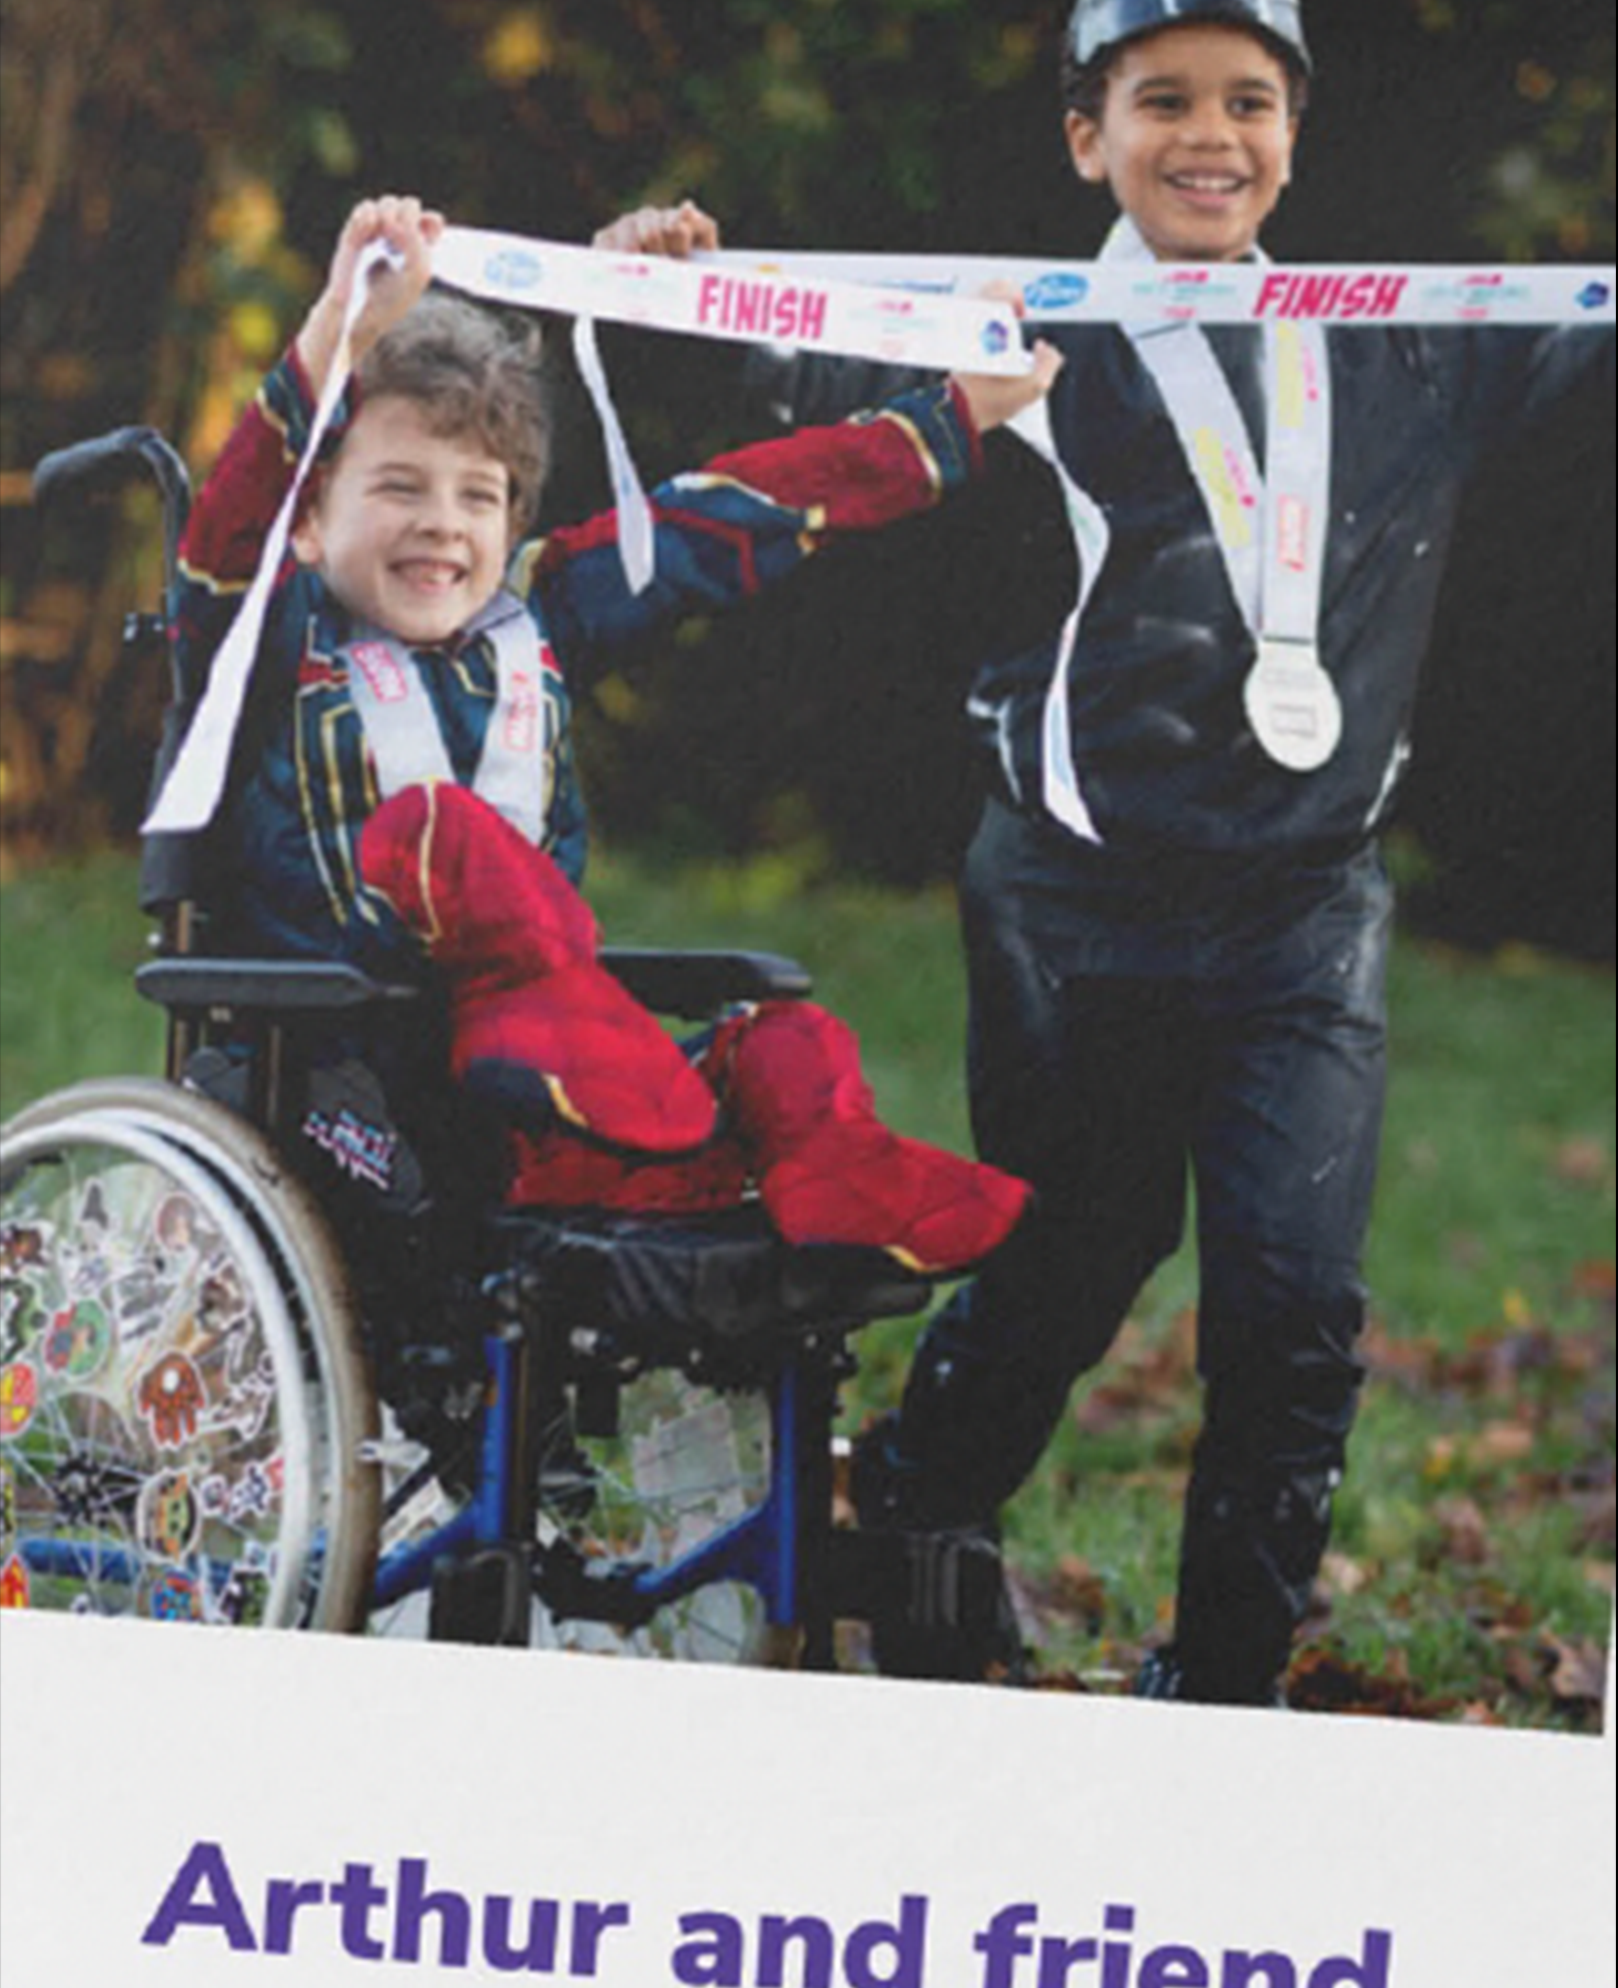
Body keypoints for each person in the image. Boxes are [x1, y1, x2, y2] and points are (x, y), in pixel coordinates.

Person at [621, 0, 1613, 1701]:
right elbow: (782, 397)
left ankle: (1220, 1685)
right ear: (1088, 137)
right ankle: (909, 1531)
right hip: (1072, 909)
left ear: (1292, 135)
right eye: (1160, 100)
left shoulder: (1404, 342)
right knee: (1062, 1257)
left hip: (1306, 916)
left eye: (1247, 100)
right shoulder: (1015, 337)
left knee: (1295, 1311)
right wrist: (658, 292)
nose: (1206, 136)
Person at [173, 195, 1060, 1273]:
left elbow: (726, 518)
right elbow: (229, 528)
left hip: (553, 1085)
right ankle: (584, 1098)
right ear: (311, 521)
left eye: (479, 496)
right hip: (339, 1070)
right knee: (439, 831)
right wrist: (342, 330)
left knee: (785, 1044)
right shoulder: (271, 636)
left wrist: (944, 418)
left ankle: (845, 1187)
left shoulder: (535, 616)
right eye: (398, 487)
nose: (443, 522)